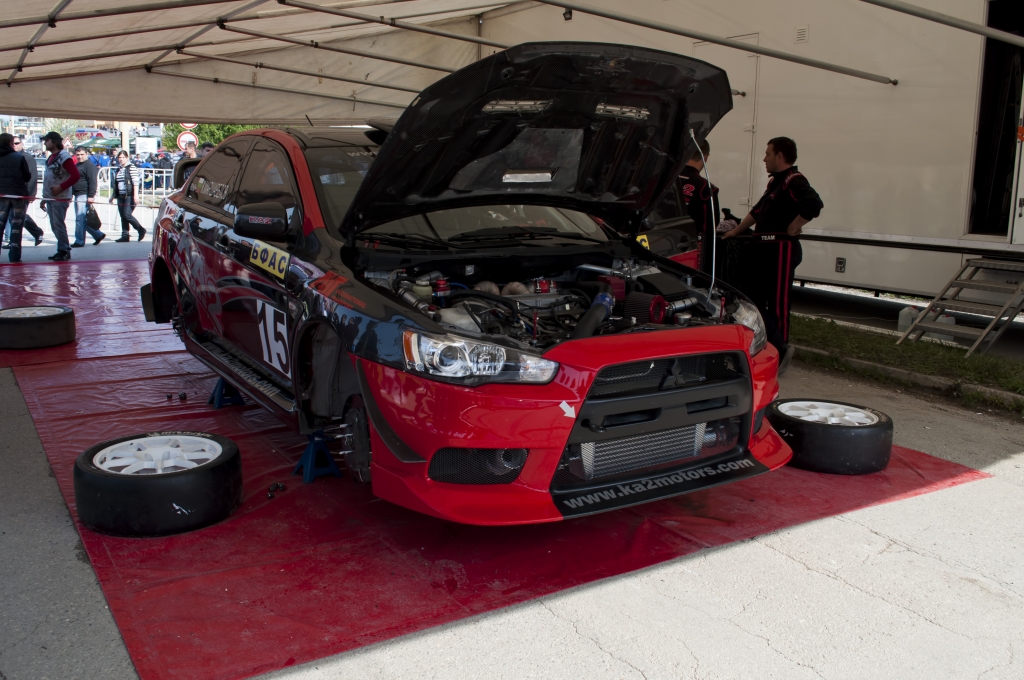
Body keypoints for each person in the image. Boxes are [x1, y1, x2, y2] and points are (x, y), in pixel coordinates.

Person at [723, 137, 823, 374]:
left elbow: (814, 204)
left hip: (780, 249)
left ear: (780, 155)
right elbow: (757, 211)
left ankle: (780, 352)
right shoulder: (775, 183)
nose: (764, 158)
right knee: (751, 299)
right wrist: (735, 231)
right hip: (763, 250)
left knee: (778, 304)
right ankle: (770, 345)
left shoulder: (793, 180)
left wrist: (794, 225)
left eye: (768, 153)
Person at [678, 139, 720, 275]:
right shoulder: (705, 187)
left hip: (660, 242)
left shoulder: (667, 180)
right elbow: (711, 226)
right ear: (705, 157)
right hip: (689, 248)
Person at [41, 131, 80, 261]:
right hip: (51, 196)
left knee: (58, 225)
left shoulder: (64, 157)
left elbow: (75, 175)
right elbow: (48, 179)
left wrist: (61, 187)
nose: (45, 143)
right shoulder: (51, 157)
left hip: (60, 197)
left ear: (55, 142)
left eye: (47, 141)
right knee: (55, 225)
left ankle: (64, 250)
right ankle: (61, 249)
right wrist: (44, 197)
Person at [2, 135, 44, 249]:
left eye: (17, 143)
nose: (15, 145)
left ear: (22, 144)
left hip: (22, 194)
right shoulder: (11, 156)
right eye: (13, 143)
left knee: (18, 217)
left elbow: (32, 177)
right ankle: (13, 240)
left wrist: (31, 194)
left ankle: (36, 232)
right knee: (13, 217)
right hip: (11, 193)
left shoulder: (26, 157)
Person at [0, 133, 33, 263]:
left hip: (1, 196)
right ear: (10, 143)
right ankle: (14, 257)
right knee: (16, 227)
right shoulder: (18, 157)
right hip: (18, 195)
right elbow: (27, 177)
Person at [108, 149, 146, 242]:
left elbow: (136, 182)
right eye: (119, 157)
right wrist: (113, 196)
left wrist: (135, 195)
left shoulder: (131, 167)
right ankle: (125, 235)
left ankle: (140, 229)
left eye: (123, 157)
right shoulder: (119, 169)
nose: (121, 159)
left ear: (127, 158)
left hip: (129, 195)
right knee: (122, 216)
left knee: (126, 215)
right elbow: (116, 184)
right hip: (120, 195)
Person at [71, 146, 105, 247]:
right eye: (78, 155)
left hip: (84, 194)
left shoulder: (89, 166)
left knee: (80, 219)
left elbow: (93, 182)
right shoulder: (77, 165)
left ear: (86, 154)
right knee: (82, 219)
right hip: (78, 194)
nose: (80, 156)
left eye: (82, 154)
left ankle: (79, 241)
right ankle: (98, 234)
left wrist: (91, 196)